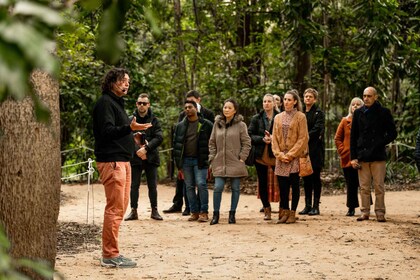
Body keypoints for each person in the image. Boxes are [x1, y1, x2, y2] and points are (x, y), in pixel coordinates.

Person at [93, 68, 152, 268]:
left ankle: (112, 252)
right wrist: (129, 128)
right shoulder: (104, 103)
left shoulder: (117, 103)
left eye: (128, 81)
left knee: (121, 207)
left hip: (123, 161)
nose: (127, 84)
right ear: (112, 82)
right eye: (123, 81)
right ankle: (109, 255)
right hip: (112, 161)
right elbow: (107, 131)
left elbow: (120, 131)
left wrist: (133, 137)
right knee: (115, 208)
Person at [164, 90, 215, 216]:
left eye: (190, 107)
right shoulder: (180, 126)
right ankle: (194, 211)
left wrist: (211, 159)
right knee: (189, 187)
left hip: (200, 159)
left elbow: (213, 141)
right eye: (185, 107)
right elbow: (177, 144)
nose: (187, 109)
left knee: (202, 184)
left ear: (196, 108)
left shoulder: (206, 124)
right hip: (186, 161)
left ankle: (204, 211)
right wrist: (178, 164)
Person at [350, 86, 397, 222]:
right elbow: (353, 136)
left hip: (378, 155)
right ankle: (364, 212)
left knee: (379, 186)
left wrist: (380, 142)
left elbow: (393, 133)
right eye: (364, 96)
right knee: (364, 186)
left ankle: (380, 212)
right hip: (362, 155)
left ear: (375, 97)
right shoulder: (358, 113)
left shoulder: (384, 112)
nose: (366, 98)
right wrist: (353, 157)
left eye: (369, 96)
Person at [208, 98, 251, 225]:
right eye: (225, 107)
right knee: (218, 187)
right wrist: (212, 156)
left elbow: (247, 142)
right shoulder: (217, 124)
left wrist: (242, 157)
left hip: (235, 161)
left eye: (229, 108)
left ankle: (232, 214)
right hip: (219, 161)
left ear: (235, 111)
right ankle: (215, 215)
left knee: (235, 188)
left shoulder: (241, 125)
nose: (226, 109)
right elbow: (212, 142)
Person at [124, 93, 164, 221]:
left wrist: (146, 148)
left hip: (151, 157)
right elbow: (125, 137)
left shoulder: (154, 120)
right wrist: (138, 150)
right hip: (135, 157)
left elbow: (159, 137)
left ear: (148, 105)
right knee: (134, 185)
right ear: (136, 104)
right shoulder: (131, 119)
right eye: (140, 103)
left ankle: (154, 210)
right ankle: (133, 211)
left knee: (152, 185)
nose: (142, 105)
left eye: (144, 103)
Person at [271, 89, 309, 224]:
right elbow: (274, 138)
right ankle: (285, 212)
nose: (286, 102)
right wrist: (279, 154)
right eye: (285, 100)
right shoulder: (277, 117)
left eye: (289, 100)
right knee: (283, 187)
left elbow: (303, 138)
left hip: (294, 157)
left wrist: (291, 154)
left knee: (294, 185)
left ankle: (293, 213)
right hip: (281, 157)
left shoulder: (300, 117)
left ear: (294, 102)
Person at [248, 94, 279, 220]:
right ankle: (266, 208)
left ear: (273, 103)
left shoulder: (280, 117)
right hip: (260, 154)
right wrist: (262, 139)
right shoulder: (257, 118)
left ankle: (284, 209)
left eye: (269, 101)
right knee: (262, 182)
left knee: (282, 182)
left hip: (276, 154)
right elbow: (249, 135)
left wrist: (273, 139)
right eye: (264, 101)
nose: (266, 103)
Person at [334, 97, 364, 216]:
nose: (355, 106)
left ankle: (366, 206)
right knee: (351, 183)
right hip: (347, 157)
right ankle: (351, 208)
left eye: (358, 104)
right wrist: (343, 150)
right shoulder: (344, 121)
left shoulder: (365, 121)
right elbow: (337, 138)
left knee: (363, 183)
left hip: (362, 157)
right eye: (353, 104)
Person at [299, 88, 325, 216]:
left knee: (315, 178)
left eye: (310, 97)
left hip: (315, 150)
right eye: (306, 96)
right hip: (303, 151)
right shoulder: (301, 113)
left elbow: (317, 129)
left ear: (314, 99)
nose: (308, 98)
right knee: (306, 178)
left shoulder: (319, 113)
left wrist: (304, 137)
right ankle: (307, 205)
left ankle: (316, 206)